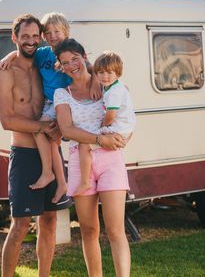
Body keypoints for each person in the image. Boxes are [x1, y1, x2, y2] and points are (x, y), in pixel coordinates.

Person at [0, 13, 71, 277]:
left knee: (49, 221)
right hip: (25, 155)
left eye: (35, 36)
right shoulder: (5, 71)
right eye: (25, 36)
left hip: (51, 149)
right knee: (20, 225)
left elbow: (75, 62)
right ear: (14, 37)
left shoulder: (44, 62)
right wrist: (41, 127)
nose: (31, 41)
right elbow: (6, 120)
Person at [0, 12, 101, 203]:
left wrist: (94, 82)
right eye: (48, 32)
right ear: (43, 36)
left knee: (39, 130)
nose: (53, 35)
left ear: (66, 33)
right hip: (50, 102)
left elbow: (90, 67)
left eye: (57, 31)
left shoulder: (70, 52)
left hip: (63, 100)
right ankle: (61, 181)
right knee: (51, 141)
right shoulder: (43, 53)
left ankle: (48, 173)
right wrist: (11, 55)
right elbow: (23, 50)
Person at [54, 38, 131, 277]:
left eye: (75, 59)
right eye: (65, 62)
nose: (71, 65)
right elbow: (66, 130)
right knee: (88, 230)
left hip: (110, 160)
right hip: (81, 160)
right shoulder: (61, 94)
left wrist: (126, 137)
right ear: (61, 66)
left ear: (84, 57)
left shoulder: (108, 83)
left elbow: (127, 108)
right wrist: (99, 139)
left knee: (116, 230)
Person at [76, 51, 136, 196]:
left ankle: (85, 182)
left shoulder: (113, 92)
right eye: (101, 73)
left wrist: (102, 126)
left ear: (118, 73)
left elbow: (110, 115)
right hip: (126, 126)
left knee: (83, 144)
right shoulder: (115, 86)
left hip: (118, 128)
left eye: (109, 73)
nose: (105, 76)